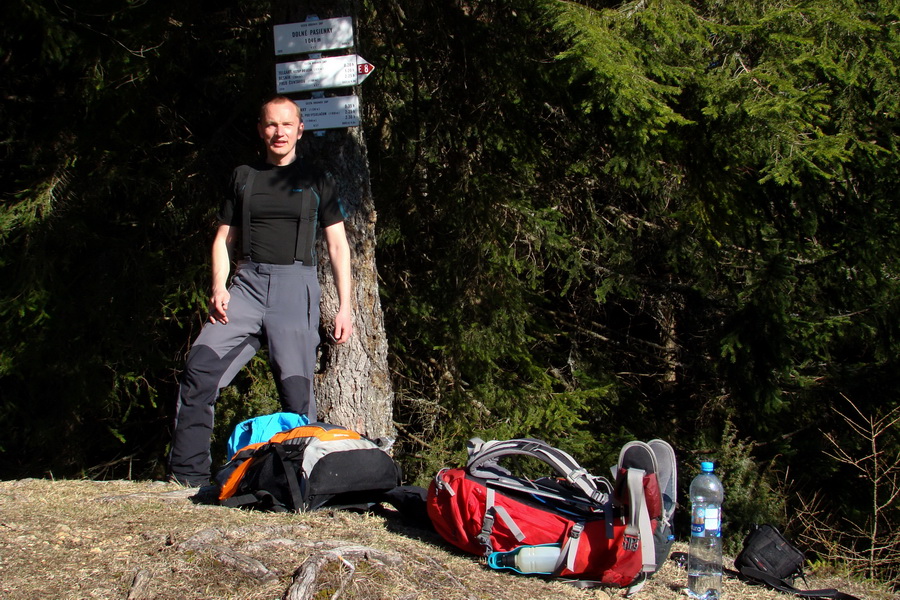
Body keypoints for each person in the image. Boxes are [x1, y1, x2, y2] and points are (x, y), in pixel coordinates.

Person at [168, 95, 354, 487]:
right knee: (200, 368)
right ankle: (187, 477)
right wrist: (218, 286)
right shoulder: (243, 176)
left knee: (296, 396)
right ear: (261, 129)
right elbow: (223, 239)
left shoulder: (318, 181)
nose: (279, 132)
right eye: (271, 124)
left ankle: (300, 483)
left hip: (295, 289)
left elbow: (338, 246)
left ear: (300, 130)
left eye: (287, 125)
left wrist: (345, 306)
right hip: (246, 288)